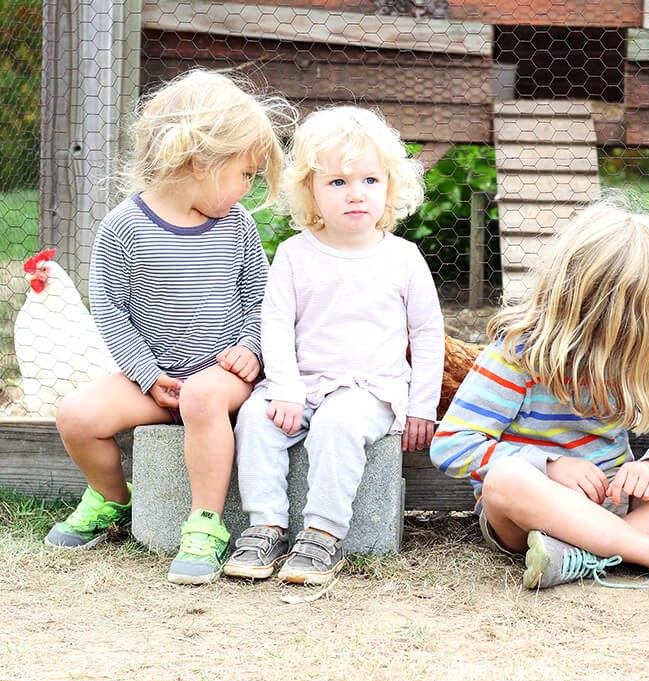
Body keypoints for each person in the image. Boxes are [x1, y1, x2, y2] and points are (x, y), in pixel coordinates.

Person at [430, 197, 649, 590]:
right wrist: (550, 466)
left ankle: (586, 553)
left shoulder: (644, 361)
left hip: (615, 501)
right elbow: (452, 445)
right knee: (505, 480)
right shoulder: (518, 357)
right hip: (534, 516)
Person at [45, 69, 295, 584]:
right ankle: (112, 499)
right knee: (76, 414)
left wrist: (251, 348)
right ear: (199, 160)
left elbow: (261, 299)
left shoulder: (237, 226)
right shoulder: (123, 226)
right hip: (157, 380)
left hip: (223, 376)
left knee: (204, 397)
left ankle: (205, 523)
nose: (248, 188)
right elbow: (111, 309)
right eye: (244, 173)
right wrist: (144, 374)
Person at [223, 106, 444, 586]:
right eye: (337, 183)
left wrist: (422, 406)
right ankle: (264, 527)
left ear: (390, 185)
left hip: (370, 389)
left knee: (338, 426)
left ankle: (322, 535)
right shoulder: (294, 254)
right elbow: (275, 324)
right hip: (300, 383)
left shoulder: (403, 259)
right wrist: (282, 387)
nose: (355, 194)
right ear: (310, 191)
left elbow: (427, 334)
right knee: (256, 420)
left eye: (369, 180)